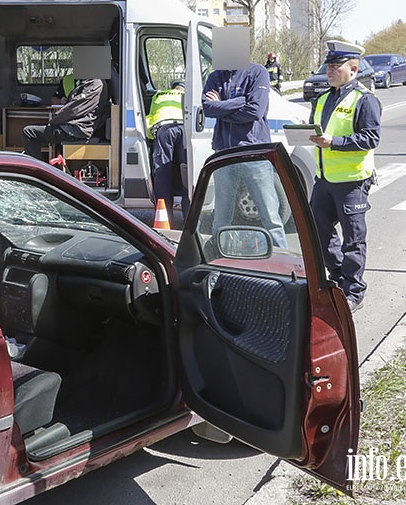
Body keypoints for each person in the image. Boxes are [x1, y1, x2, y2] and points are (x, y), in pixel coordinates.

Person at [307, 40, 381, 313]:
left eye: (335, 66)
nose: (330, 70)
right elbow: (319, 130)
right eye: (328, 65)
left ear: (353, 69)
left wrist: (334, 141)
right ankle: (338, 279)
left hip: (352, 181)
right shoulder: (323, 98)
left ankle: (353, 291)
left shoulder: (364, 99)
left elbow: (371, 137)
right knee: (320, 231)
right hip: (324, 179)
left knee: (354, 238)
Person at [202, 60, 288, 249]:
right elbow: (208, 109)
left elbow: (255, 110)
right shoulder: (216, 76)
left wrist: (222, 107)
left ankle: (284, 264)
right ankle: (222, 261)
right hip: (224, 154)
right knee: (221, 220)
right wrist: (241, 101)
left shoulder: (258, 72)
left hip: (254, 153)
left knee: (271, 218)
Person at [22, 77, 110, 161]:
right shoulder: (93, 83)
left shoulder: (95, 84)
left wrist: (54, 120)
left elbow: (75, 109)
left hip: (76, 129)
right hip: (79, 127)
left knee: (29, 132)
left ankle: (38, 170)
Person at [145, 80, 189, 217]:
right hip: (184, 129)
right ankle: (189, 215)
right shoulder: (188, 96)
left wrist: (151, 137)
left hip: (164, 129)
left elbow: (149, 119)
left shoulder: (158, 95)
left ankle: (164, 216)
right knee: (187, 172)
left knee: (162, 171)